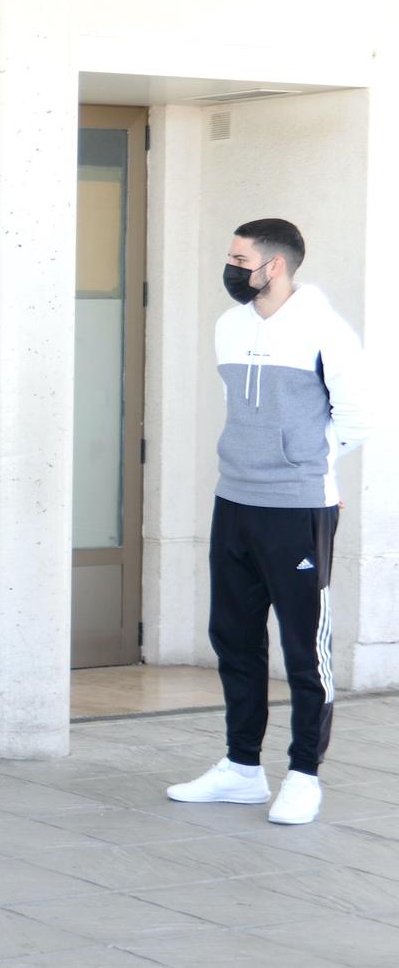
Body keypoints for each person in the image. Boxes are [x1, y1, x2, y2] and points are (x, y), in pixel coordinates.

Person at [168, 219, 375, 825]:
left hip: (298, 506)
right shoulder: (228, 327)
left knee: (304, 646)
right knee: (233, 636)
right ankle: (241, 769)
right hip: (234, 501)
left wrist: (306, 464)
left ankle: (305, 775)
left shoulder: (323, 329)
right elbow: (241, 408)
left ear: (274, 266)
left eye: (239, 258)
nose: (230, 268)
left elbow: (358, 417)